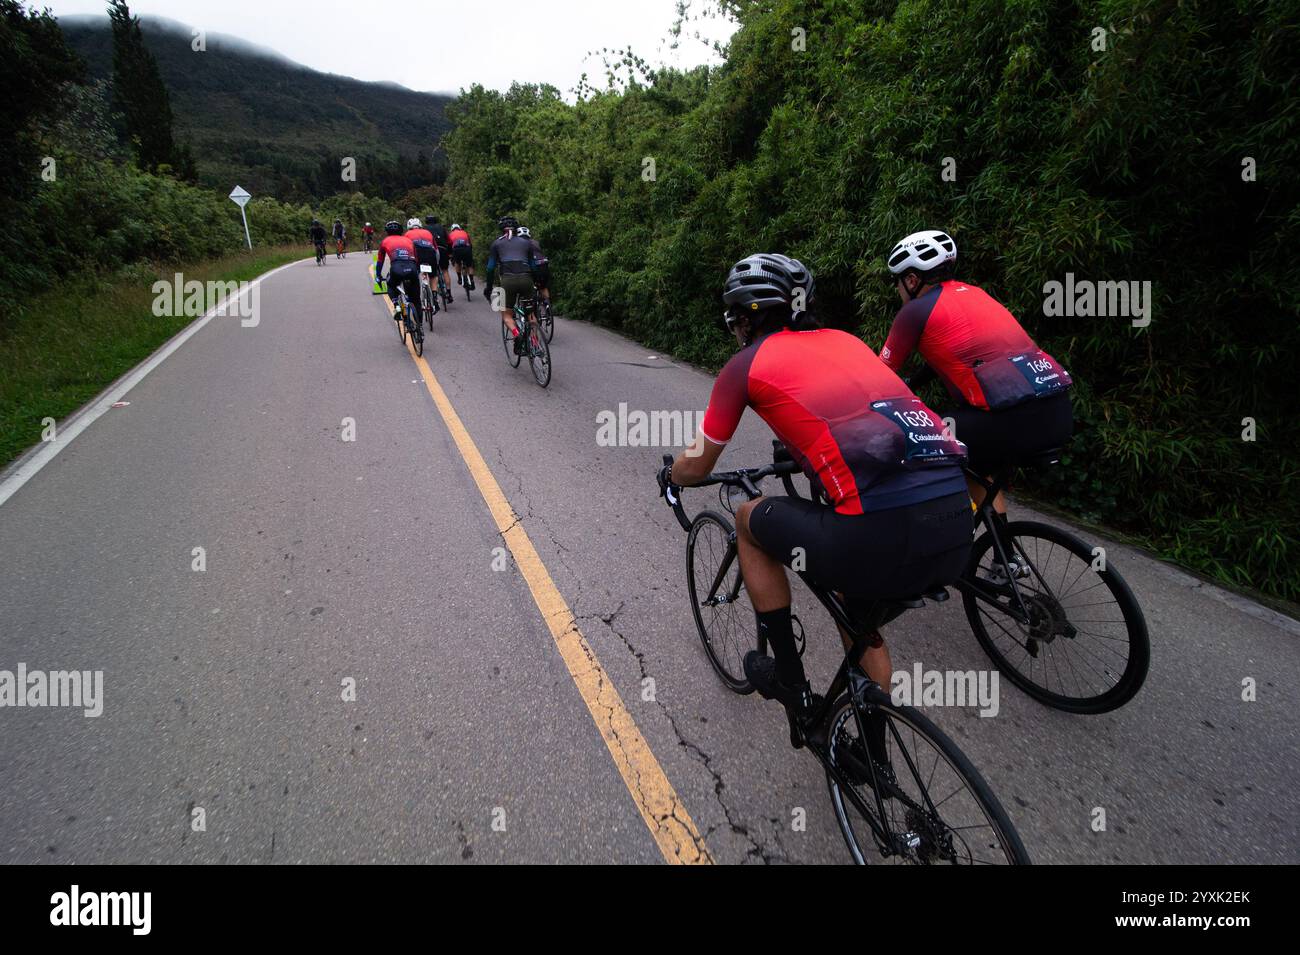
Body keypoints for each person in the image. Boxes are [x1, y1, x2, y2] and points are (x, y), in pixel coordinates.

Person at [661, 254, 971, 727]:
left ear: (746, 316)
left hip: (878, 532)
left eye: (735, 318)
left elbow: (698, 462)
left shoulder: (745, 365)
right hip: (955, 524)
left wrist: (670, 477)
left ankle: (789, 680)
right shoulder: (846, 341)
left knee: (748, 518)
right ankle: (873, 755)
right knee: (859, 621)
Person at [879, 229, 1073, 514]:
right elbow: (963, 355)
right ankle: (1003, 554)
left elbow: (879, 375)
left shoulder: (915, 311)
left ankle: (928, 531)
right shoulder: (975, 294)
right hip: (1058, 413)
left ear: (911, 280)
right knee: (978, 467)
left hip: (1010, 420)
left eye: (897, 282)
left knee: (908, 438)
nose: (898, 290)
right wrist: (913, 382)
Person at [484, 216, 544, 354]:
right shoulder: (526, 243)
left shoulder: (496, 244)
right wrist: (536, 281)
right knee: (531, 315)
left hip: (507, 281)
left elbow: (490, 268)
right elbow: (533, 266)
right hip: (526, 279)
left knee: (506, 315)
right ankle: (535, 343)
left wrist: (488, 288)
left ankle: (517, 335)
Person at [374, 220, 419, 319]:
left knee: (390, 284)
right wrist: (417, 272)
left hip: (396, 268)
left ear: (387, 232)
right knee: (415, 297)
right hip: (412, 267)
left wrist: (378, 275)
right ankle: (419, 325)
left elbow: (380, 261)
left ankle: (397, 306)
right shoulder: (408, 240)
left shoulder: (385, 241)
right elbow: (416, 258)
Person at [404, 217, 441, 315]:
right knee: (433, 276)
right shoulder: (428, 232)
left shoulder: (407, 234)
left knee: (414, 276)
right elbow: (436, 250)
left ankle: (415, 299)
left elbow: (406, 250)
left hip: (417, 255)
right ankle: (435, 298)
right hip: (430, 254)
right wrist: (436, 264)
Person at [518, 227, 549, 307]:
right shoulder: (536, 242)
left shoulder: (519, 244)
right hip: (543, 265)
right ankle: (547, 305)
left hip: (530, 267)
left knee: (525, 287)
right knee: (543, 287)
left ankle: (529, 307)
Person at [423, 216, 453, 293]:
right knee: (445, 271)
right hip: (443, 249)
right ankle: (449, 292)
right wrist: (450, 253)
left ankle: (434, 294)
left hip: (431, 251)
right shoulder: (442, 228)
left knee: (432, 275)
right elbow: (449, 241)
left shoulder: (424, 229)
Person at [447, 222, 475, 292]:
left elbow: (449, 246)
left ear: (452, 229)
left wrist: (450, 255)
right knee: (470, 265)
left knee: (457, 263)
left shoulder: (450, 234)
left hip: (457, 250)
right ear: (459, 228)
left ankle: (459, 278)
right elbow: (470, 244)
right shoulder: (464, 232)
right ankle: (471, 280)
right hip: (466, 249)